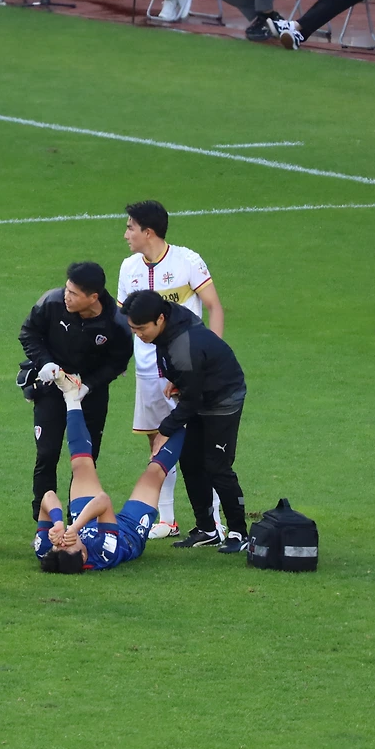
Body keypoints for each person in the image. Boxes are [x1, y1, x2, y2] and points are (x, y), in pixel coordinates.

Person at [116, 199, 225, 545]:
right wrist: (118, 360)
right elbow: (123, 321)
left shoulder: (187, 261)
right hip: (148, 371)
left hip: (187, 368)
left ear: (148, 232)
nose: (126, 234)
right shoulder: (128, 267)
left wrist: (210, 355)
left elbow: (214, 307)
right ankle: (166, 518)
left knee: (201, 443)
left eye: (130, 228)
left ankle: (214, 521)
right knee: (157, 440)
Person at [120, 289, 249, 554]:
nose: (138, 335)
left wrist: (164, 430)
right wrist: (178, 379)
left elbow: (191, 401)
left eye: (141, 328)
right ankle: (207, 530)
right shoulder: (172, 318)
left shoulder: (182, 345)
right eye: (133, 329)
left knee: (217, 466)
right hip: (201, 392)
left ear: (159, 319)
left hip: (223, 398)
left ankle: (239, 532)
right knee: (190, 461)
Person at [33, 373, 186, 573]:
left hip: (87, 522)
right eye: (67, 545)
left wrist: (58, 523)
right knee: (154, 474)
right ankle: (187, 410)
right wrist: (75, 528)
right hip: (128, 531)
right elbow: (103, 501)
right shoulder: (105, 552)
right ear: (83, 556)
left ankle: (70, 396)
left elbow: (48, 497)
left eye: (58, 545)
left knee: (82, 465)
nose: (62, 541)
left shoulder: (46, 551)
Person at [18, 261, 133, 523]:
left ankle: (77, 520)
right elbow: (29, 333)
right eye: (67, 289)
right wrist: (45, 363)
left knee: (85, 460)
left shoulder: (116, 323)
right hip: (51, 388)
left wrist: (89, 385)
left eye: (73, 293)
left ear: (93, 297)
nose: (66, 296)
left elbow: (118, 362)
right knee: (46, 455)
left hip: (90, 396)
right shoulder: (52, 302)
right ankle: (44, 522)